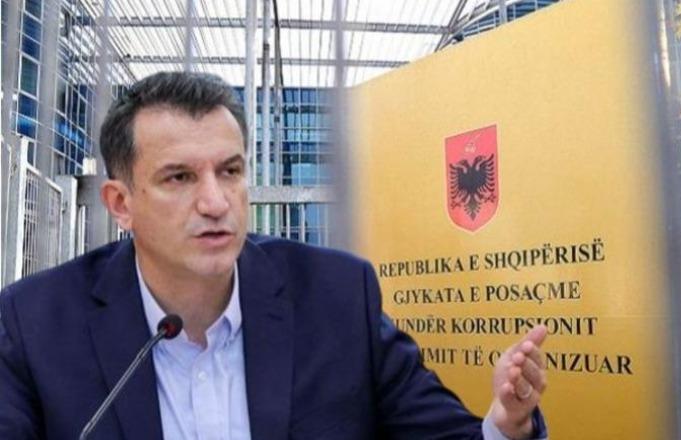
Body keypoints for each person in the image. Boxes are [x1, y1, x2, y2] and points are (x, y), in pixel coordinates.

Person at [0, 72, 548, 439]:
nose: (216, 202)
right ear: (121, 204)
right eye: (179, 177)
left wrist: (506, 424)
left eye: (230, 171)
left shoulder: (338, 297)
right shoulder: (34, 323)